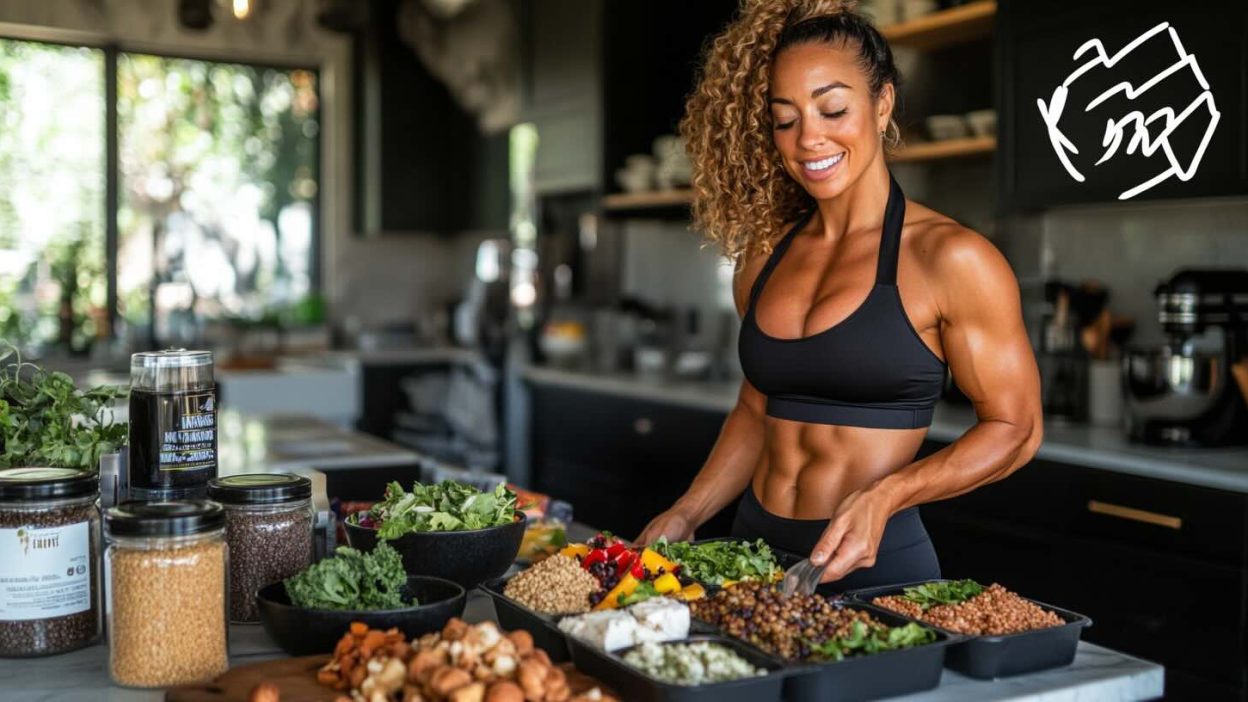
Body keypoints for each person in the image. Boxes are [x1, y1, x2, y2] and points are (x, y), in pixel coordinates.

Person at [638, 0, 1043, 591]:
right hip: (750, 553)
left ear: (882, 104)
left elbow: (1016, 429)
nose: (808, 139)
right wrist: (690, 510)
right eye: (785, 119)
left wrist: (888, 495)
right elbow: (757, 408)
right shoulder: (764, 254)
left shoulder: (949, 258)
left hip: (872, 564)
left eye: (832, 109)